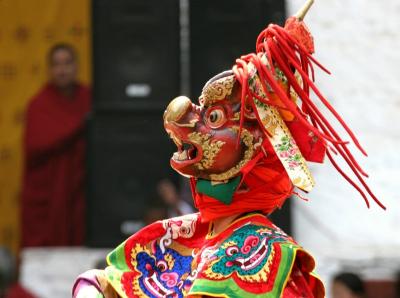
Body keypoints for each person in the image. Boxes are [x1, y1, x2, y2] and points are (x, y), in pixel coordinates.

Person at [73, 0, 384, 297]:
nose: (187, 114)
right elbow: (100, 283)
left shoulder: (271, 254)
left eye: (214, 117)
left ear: (252, 146)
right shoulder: (178, 233)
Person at [21, 43, 91, 246]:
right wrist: (78, 126)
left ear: (77, 66)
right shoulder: (39, 105)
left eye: (68, 63)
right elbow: (35, 147)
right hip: (48, 195)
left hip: (79, 191)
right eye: (57, 65)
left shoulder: (89, 99)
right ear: (49, 69)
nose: (62, 70)